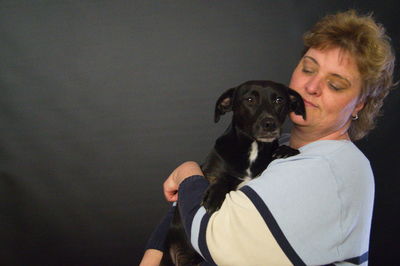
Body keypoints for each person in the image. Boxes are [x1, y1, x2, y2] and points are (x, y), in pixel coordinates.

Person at [140, 9, 395, 265]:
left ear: (360, 104)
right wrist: (153, 255)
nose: (312, 87)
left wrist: (187, 172)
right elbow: (186, 208)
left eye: (335, 84)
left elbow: (215, 236)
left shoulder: (331, 168)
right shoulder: (280, 147)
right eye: (308, 69)